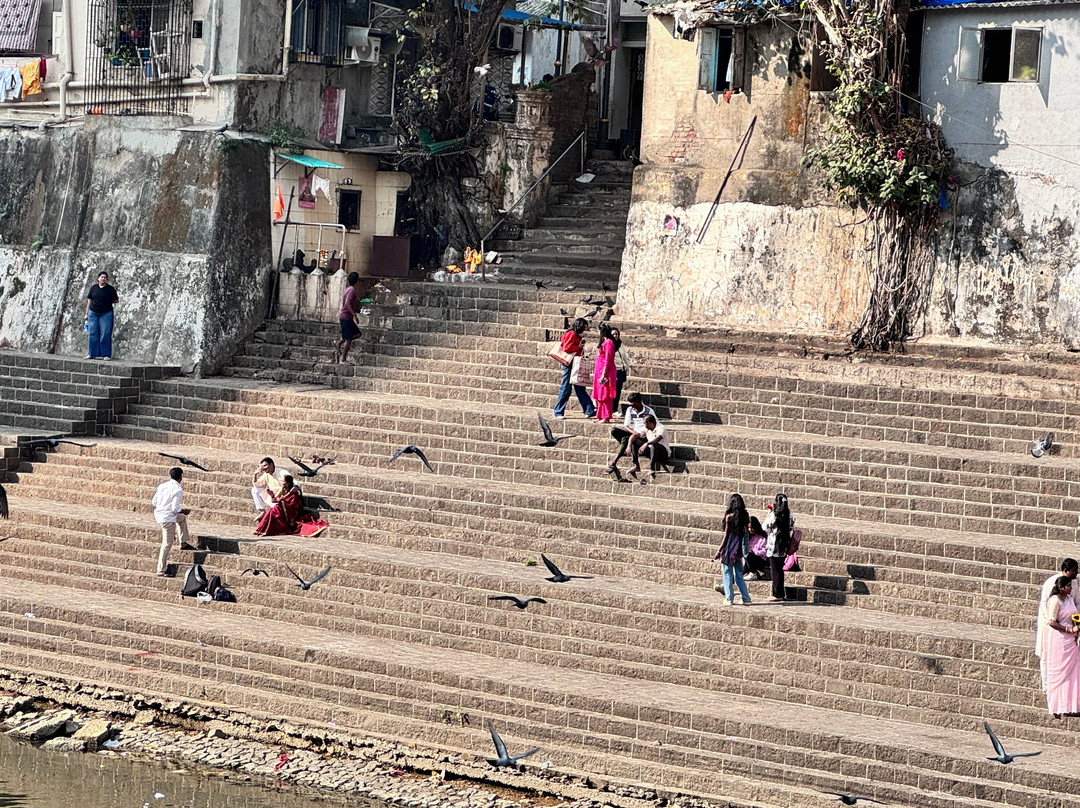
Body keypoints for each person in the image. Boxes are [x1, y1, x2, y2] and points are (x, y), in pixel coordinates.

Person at [1037, 559, 1079, 690]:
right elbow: (1046, 605)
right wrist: (1058, 624)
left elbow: (1077, 602)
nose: (1076, 573)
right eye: (1074, 570)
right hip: (1053, 626)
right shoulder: (1051, 583)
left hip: (1070, 628)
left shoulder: (1074, 584)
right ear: (1066, 570)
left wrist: (1076, 623)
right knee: (1047, 654)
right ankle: (1048, 687)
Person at [1042, 576, 1080, 717]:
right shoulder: (1055, 601)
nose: (1070, 588)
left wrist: (1076, 628)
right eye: (1068, 586)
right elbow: (1051, 622)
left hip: (1071, 640)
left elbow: (1074, 615)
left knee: (1073, 671)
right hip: (1060, 639)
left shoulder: (1069, 599)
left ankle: (1072, 705)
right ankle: (1058, 706)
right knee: (1060, 672)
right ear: (1061, 587)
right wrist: (1068, 630)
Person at [253, 475, 329, 537]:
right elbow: (275, 501)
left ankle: (268, 530)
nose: (280, 482)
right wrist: (272, 495)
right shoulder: (282, 489)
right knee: (273, 508)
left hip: (290, 515)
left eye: (282, 481)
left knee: (275, 508)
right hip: (281, 510)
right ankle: (264, 529)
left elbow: (293, 507)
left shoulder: (294, 494)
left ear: (288, 483)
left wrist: (282, 502)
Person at [711, 493, 752, 606]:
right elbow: (746, 534)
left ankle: (729, 598)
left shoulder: (729, 517)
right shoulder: (745, 516)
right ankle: (746, 598)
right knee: (739, 575)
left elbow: (726, 536)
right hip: (738, 549)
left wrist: (719, 551)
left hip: (729, 549)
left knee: (727, 574)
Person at [151, 467, 192, 576]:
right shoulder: (178, 489)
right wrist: (184, 510)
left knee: (182, 518)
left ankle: (183, 542)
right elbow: (175, 508)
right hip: (168, 519)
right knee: (167, 544)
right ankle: (161, 569)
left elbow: (154, 502)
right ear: (180, 478)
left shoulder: (162, 486)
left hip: (160, 515)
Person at [553, 318, 596, 420]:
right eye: (584, 326)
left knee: (579, 386)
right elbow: (567, 348)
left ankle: (589, 409)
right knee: (566, 387)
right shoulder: (572, 334)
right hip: (570, 363)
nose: (585, 328)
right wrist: (579, 347)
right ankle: (558, 411)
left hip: (575, 362)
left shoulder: (573, 334)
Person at [607, 392, 653, 475]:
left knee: (625, 439)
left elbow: (654, 425)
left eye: (631, 402)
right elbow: (626, 426)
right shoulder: (630, 410)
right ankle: (626, 448)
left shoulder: (649, 411)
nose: (630, 404)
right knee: (614, 430)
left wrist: (642, 434)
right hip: (634, 433)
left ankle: (614, 462)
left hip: (643, 435)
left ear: (637, 402)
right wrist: (634, 433)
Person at [761, 494, 794, 602]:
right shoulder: (790, 514)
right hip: (784, 545)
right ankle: (779, 593)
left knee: (775, 571)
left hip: (773, 545)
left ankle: (777, 594)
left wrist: (768, 513)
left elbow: (764, 527)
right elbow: (791, 527)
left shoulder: (774, 515)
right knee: (779, 570)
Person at [84, 271, 119, 360]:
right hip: (93, 313)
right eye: (101, 277)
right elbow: (89, 300)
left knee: (105, 334)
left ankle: (106, 354)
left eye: (105, 277)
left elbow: (116, 300)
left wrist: (107, 300)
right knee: (92, 333)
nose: (103, 279)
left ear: (106, 279)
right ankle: (92, 354)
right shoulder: (94, 288)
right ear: (98, 278)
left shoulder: (110, 289)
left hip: (106, 313)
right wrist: (86, 313)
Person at [627, 414, 670, 479]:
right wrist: (629, 446)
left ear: (650, 424)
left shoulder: (661, 428)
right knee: (635, 441)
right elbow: (634, 435)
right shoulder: (646, 428)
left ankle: (652, 468)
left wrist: (646, 444)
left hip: (662, 453)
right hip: (651, 451)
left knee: (654, 445)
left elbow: (657, 439)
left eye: (644, 423)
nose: (644, 425)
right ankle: (636, 465)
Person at [592, 323, 618, 423]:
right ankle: (600, 415)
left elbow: (608, 359)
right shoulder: (604, 341)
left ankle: (606, 416)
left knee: (605, 394)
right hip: (599, 370)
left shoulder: (609, 343)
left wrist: (604, 374)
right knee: (599, 393)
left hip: (606, 371)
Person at [336, 271, 362, 363]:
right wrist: (355, 315)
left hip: (346, 316)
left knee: (357, 334)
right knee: (349, 339)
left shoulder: (347, 289)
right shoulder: (351, 290)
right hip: (346, 316)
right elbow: (347, 304)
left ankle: (339, 342)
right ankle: (343, 359)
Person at [611, 328, 632, 413]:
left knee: (618, 390)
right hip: (612, 370)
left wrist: (630, 365)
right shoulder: (609, 344)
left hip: (620, 370)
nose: (615, 336)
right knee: (613, 390)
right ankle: (610, 408)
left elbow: (624, 356)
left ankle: (614, 408)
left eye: (616, 334)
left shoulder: (620, 344)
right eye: (613, 334)